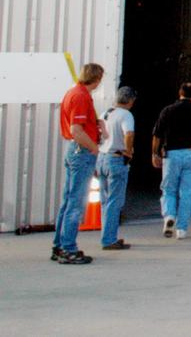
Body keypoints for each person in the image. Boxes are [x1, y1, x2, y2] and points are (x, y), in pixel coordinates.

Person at [52, 62, 105, 264]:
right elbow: (77, 129)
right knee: (76, 203)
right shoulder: (81, 97)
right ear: (97, 78)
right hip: (81, 151)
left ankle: (60, 245)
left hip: (73, 149)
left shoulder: (72, 93)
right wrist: (94, 147)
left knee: (68, 201)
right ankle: (69, 248)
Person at [152, 81, 191, 239]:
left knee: (168, 189)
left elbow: (157, 135)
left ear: (180, 92)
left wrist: (155, 154)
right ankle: (182, 229)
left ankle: (169, 215)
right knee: (187, 193)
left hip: (172, 155)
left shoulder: (168, 111)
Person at [97, 86, 138, 250]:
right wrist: (128, 152)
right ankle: (109, 239)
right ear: (130, 100)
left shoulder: (105, 113)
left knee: (105, 200)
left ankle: (107, 235)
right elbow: (129, 134)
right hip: (116, 158)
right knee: (115, 201)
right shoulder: (126, 115)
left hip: (102, 157)